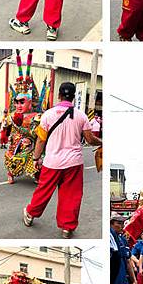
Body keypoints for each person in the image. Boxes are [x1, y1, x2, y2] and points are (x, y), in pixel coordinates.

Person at [23, 82, 102, 238]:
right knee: (71, 195)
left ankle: (30, 214)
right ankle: (67, 228)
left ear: (59, 95)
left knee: (43, 191)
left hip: (52, 162)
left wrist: (36, 158)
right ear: (73, 97)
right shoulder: (81, 116)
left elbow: (40, 140)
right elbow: (90, 139)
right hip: (74, 162)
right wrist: (101, 142)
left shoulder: (47, 115)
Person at [3, 51, 43, 184]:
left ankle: (36, 173)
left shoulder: (36, 116)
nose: (18, 105)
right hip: (14, 143)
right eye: (16, 102)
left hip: (29, 143)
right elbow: (6, 131)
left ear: (30, 102)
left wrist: (19, 126)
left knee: (30, 149)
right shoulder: (11, 115)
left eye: (22, 102)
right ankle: (11, 173)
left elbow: (35, 134)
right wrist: (6, 127)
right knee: (10, 153)